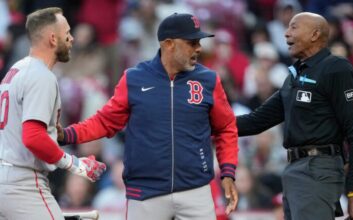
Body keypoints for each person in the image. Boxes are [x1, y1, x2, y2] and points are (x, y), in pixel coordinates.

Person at [58, 12, 239, 220]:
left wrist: (227, 172)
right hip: (145, 192)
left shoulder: (208, 80)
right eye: (192, 42)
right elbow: (105, 122)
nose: (198, 47)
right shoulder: (134, 78)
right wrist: (67, 135)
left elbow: (226, 127)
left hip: (196, 190)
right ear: (169, 44)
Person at [237, 12, 353, 220]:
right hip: (293, 171)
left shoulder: (336, 68)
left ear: (315, 34)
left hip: (318, 169)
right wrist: (204, 121)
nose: (286, 34)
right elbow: (255, 121)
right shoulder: (295, 75)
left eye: (293, 27)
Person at [0, 7, 106, 220]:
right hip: (24, 182)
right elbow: (33, 137)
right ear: (52, 38)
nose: (72, 38)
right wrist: (77, 165)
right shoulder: (41, 75)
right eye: (67, 32)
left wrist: (53, 133)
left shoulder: (16, 69)